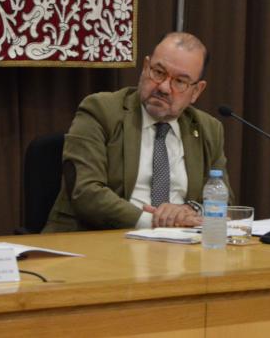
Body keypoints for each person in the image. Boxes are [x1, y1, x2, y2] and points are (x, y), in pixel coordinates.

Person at [43, 32, 230, 232]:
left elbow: (221, 197)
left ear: (196, 91)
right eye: (158, 72)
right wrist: (154, 222)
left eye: (180, 82)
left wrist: (189, 209)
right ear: (145, 67)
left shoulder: (208, 128)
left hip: (182, 246)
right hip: (102, 240)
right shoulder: (101, 110)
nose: (164, 87)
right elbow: (86, 192)